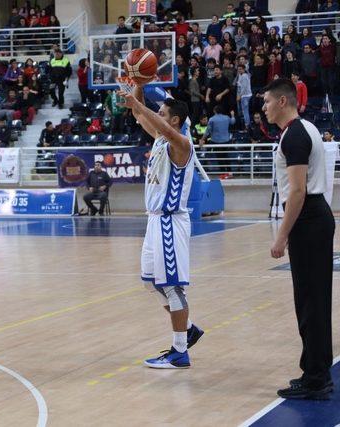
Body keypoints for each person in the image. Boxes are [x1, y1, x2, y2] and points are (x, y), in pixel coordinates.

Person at [117, 78, 203, 369]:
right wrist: (136, 90)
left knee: (173, 288)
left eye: (163, 112)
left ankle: (180, 351)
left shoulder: (181, 143)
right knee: (150, 282)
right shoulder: (160, 139)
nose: (159, 116)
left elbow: (156, 122)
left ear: (175, 120)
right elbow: (140, 115)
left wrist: (138, 102)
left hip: (170, 221)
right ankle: (188, 328)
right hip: (155, 221)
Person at [264, 78, 335, 400]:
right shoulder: (303, 129)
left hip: (308, 219)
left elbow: (297, 190)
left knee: (310, 303)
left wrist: (281, 237)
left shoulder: (294, 135)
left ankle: (316, 379)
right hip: (314, 218)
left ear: (282, 102)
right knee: (311, 301)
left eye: (266, 102)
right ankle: (314, 371)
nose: (263, 108)